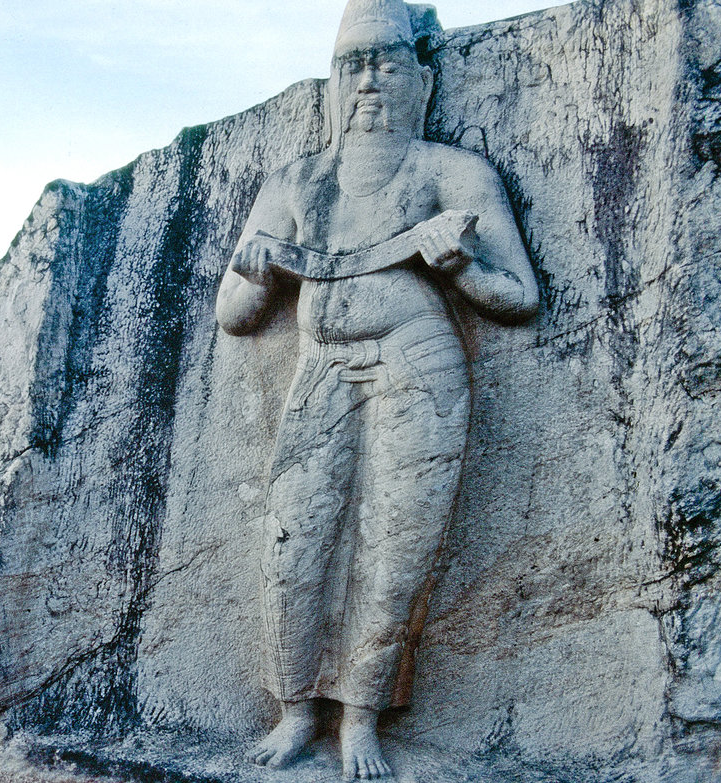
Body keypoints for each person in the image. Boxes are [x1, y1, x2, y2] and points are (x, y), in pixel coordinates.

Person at [215, 0, 538, 779]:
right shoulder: (295, 181)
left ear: (419, 77)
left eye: (385, 61)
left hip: (416, 363)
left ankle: (361, 718)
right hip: (321, 366)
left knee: (395, 546)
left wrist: (454, 262)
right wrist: (256, 270)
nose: (366, 80)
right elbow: (233, 312)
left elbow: (519, 295)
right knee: (294, 542)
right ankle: (296, 708)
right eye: (351, 63)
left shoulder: (451, 172)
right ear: (331, 81)